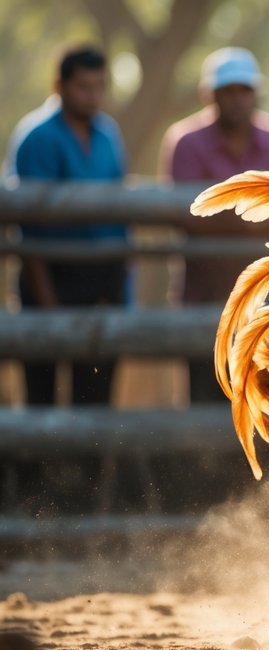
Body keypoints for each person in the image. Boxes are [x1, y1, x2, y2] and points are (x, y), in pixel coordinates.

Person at [160, 46, 269, 402]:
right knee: (204, 387)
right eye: (229, 91)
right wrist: (259, 217)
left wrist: (229, 216)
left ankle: (258, 460)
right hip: (205, 292)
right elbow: (185, 214)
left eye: (244, 90)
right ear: (211, 95)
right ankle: (200, 459)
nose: (237, 99)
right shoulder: (186, 141)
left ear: (256, 93)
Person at [13, 44, 128, 407]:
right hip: (52, 274)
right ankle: (35, 465)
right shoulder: (38, 137)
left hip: (101, 279)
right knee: (42, 392)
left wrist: (119, 289)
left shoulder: (108, 134)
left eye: (99, 86)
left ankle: (90, 466)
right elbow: (27, 227)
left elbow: (120, 211)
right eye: (84, 87)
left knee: (95, 393)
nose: (93, 96)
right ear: (59, 85)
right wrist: (47, 302)